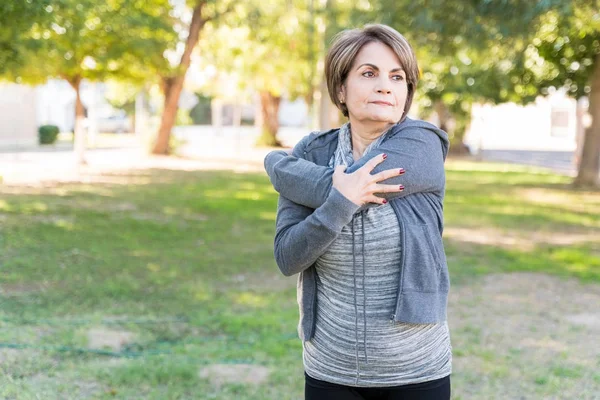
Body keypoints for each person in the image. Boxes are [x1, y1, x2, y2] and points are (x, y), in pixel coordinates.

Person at [264, 24, 452, 400]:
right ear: (340, 89)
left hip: (415, 369)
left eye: (397, 77)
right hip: (330, 369)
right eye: (369, 73)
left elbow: (351, 178)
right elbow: (288, 256)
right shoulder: (314, 151)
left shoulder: (422, 145)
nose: (386, 85)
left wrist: (280, 168)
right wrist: (340, 201)